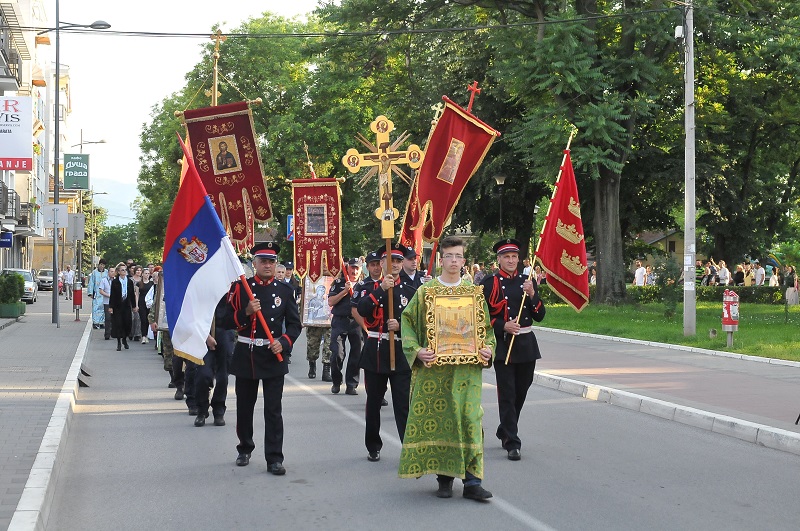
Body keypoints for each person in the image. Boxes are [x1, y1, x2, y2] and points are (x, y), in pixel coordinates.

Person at [399, 235, 496, 501]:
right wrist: (418, 350)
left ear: (464, 261)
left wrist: (488, 349)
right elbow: (406, 322)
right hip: (436, 372)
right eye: (449, 256)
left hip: (467, 374)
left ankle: (473, 482)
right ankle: (445, 478)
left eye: (459, 256)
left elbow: (486, 330)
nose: (454, 261)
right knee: (443, 422)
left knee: (469, 420)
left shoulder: (474, 294)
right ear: (441, 259)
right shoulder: (426, 292)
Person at [221, 242, 302, 475]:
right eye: (263, 261)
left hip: (272, 355)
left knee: (273, 410)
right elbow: (225, 321)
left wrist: (284, 341)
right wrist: (245, 312)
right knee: (245, 407)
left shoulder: (285, 291)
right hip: (247, 354)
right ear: (254, 263)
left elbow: (295, 325)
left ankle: (274, 458)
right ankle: (244, 448)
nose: (268, 265)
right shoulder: (240, 289)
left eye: (271, 261)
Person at [481, 238, 546, 462]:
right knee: (507, 394)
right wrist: (502, 325)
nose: (511, 260)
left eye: (514, 257)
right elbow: (482, 317)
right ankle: (512, 441)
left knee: (521, 392)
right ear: (499, 259)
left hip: (526, 345)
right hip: (504, 346)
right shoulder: (489, 283)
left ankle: (504, 428)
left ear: (519, 259)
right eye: (506, 257)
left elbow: (539, 315)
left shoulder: (527, 282)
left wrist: (532, 295)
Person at [355, 244, 418, 462]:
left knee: (403, 404)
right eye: (390, 261)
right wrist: (381, 289)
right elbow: (361, 310)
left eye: (399, 261)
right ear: (381, 264)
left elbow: (418, 323)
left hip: (400, 352)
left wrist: (400, 326)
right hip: (376, 350)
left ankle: (408, 447)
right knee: (373, 402)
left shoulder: (411, 292)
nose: (395, 265)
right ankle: (373, 445)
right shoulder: (369, 288)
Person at [194, 294, 237, 427]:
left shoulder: (232, 287)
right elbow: (194, 315)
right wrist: (207, 337)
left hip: (226, 333)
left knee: (223, 376)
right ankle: (201, 410)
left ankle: (219, 410)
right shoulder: (202, 287)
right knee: (203, 375)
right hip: (204, 334)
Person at [327, 258, 362, 391]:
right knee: (337, 353)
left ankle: (351, 384)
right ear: (347, 268)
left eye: (357, 268)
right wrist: (345, 292)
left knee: (356, 354)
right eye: (352, 268)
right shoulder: (339, 283)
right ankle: (336, 381)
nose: (354, 271)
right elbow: (331, 302)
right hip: (340, 321)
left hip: (356, 322)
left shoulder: (363, 285)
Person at [303, 276, 333, 379]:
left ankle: (326, 369)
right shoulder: (313, 301)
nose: (321, 292)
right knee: (313, 344)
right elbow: (310, 312)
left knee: (329, 345)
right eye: (319, 290)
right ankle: (312, 364)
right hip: (314, 322)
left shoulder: (327, 300)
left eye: (323, 290)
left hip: (328, 322)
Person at [108, 262, 135, 351]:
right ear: (119, 272)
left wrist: (134, 305)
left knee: (127, 323)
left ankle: (124, 339)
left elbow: (132, 294)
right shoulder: (115, 282)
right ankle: (119, 342)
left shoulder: (129, 282)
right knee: (118, 324)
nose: (124, 271)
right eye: (122, 270)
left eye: (125, 270)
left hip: (126, 305)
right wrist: (111, 306)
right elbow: (112, 295)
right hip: (118, 306)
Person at [86, 259, 108, 329]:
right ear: (99, 264)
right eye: (101, 264)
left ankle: (101, 322)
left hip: (104, 293)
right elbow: (91, 283)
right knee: (95, 308)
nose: (102, 266)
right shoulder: (94, 272)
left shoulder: (106, 272)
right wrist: (90, 292)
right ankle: (95, 322)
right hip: (97, 293)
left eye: (103, 265)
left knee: (103, 308)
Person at [137, 267, 154, 344]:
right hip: (141, 302)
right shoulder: (139, 283)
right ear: (142, 274)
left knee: (148, 319)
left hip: (149, 303)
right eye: (145, 273)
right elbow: (137, 294)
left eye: (148, 274)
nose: (147, 275)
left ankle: (147, 335)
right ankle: (143, 336)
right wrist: (136, 304)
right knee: (143, 319)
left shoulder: (151, 284)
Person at [99, 266, 115, 340]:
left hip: (115, 302)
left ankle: (114, 333)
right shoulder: (104, 280)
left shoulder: (116, 280)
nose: (113, 273)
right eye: (111, 271)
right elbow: (101, 291)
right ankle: (107, 334)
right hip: (107, 302)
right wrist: (108, 295)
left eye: (114, 271)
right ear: (108, 272)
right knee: (108, 318)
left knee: (114, 318)